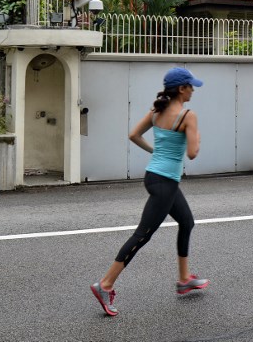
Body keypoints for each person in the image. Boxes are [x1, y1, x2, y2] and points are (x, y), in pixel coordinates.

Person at [91, 67, 209, 317]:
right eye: (191, 86)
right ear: (181, 89)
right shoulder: (188, 115)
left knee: (186, 222)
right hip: (164, 183)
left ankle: (184, 278)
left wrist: (154, 152)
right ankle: (105, 284)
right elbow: (192, 153)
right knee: (142, 235)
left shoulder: (157, 111)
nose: (193, 90)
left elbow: (134, 135)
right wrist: (195, 136)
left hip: (157, 178)